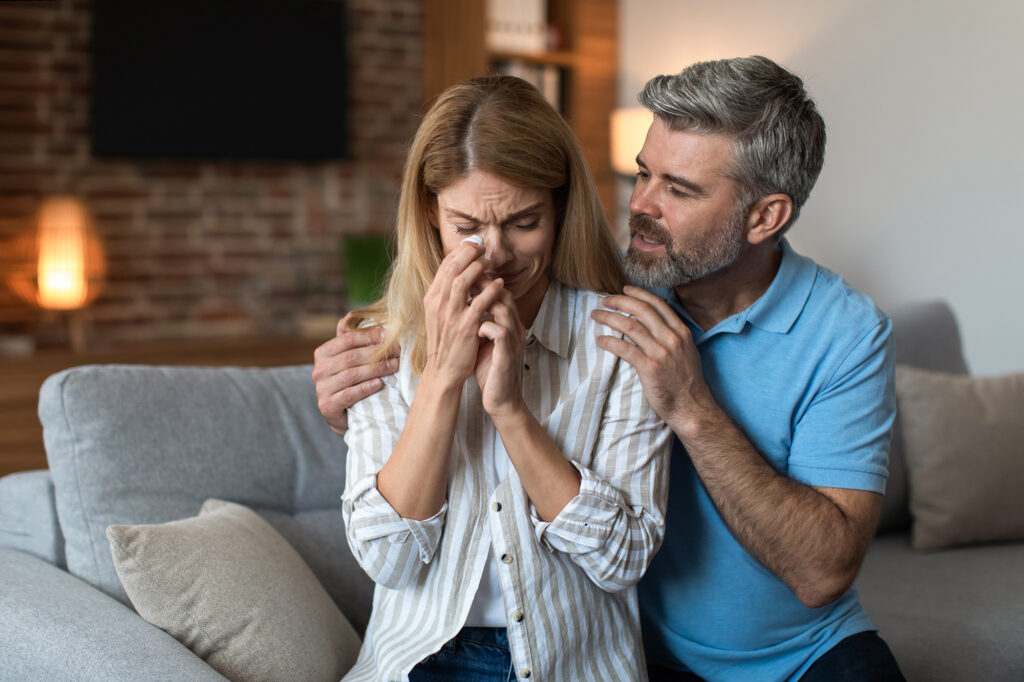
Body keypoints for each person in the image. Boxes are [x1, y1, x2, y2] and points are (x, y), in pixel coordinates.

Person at [316, 57, 905, 681]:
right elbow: (394, 513)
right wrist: (350, 409)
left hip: (796, 654)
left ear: (765, 216)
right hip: (633, 645)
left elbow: (823, 572)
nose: (641, 206)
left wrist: (690, 406)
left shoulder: (844, 334)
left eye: (678, 189)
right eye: (642, 173)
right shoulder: (616, 283)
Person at [331, 75, 672, 682]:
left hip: (573, 663)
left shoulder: (619, 339)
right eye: (466, 227)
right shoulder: (380, 341)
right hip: (420, 658)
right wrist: (441, 378)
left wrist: (510, 409)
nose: (496, 254)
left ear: (561, 206)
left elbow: (623, 558)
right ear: (430, 214)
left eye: (523, 221)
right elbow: (388, 559)